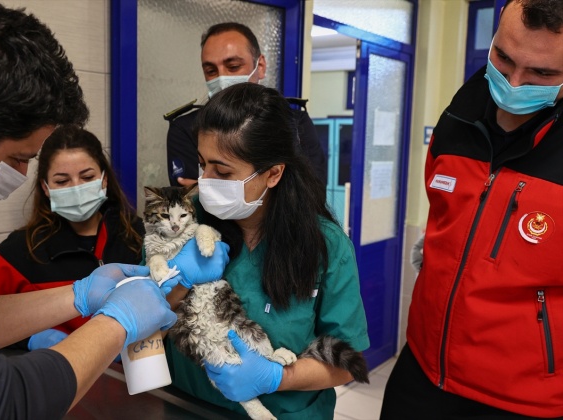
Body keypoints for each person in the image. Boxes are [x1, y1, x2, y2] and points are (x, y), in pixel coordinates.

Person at [0, 1, 228, 418]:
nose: (18, 174)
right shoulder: (21, 249)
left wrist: (78, 295)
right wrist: (117, 321)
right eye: (18, 157)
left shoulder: (135, 233)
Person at [381, 1, 563, 418]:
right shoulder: (463, 109)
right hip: (423, 368)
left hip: (523, 398)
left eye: (542, 73)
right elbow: (448, 202)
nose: (514, 83)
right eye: (503, 57)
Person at [164, 82, 369, 419]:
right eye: (202, 165)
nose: (206, 180)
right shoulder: (184, 219)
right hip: (189, 406)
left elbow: (348, 364)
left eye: (222, 171)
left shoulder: (325, 245)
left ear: (273, 173)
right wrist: (179, 282)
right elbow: (144, 321)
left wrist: (276, 377)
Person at [0, 125, 147, 352]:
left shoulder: (138, 235)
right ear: (45, 188)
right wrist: (28, 338)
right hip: (55, 375)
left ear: (104, 180)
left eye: (87, 177)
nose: (77, 188)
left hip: (129, 376)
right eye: (62, 181)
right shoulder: (22, 250)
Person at [165, 21, 328, 188]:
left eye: (233, 67)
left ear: (260, 66)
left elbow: (313, 193)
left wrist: (214, 190)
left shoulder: (295, 123)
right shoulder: (187, 128)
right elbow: (189, 200)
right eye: (211, 71)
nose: (221, 79)